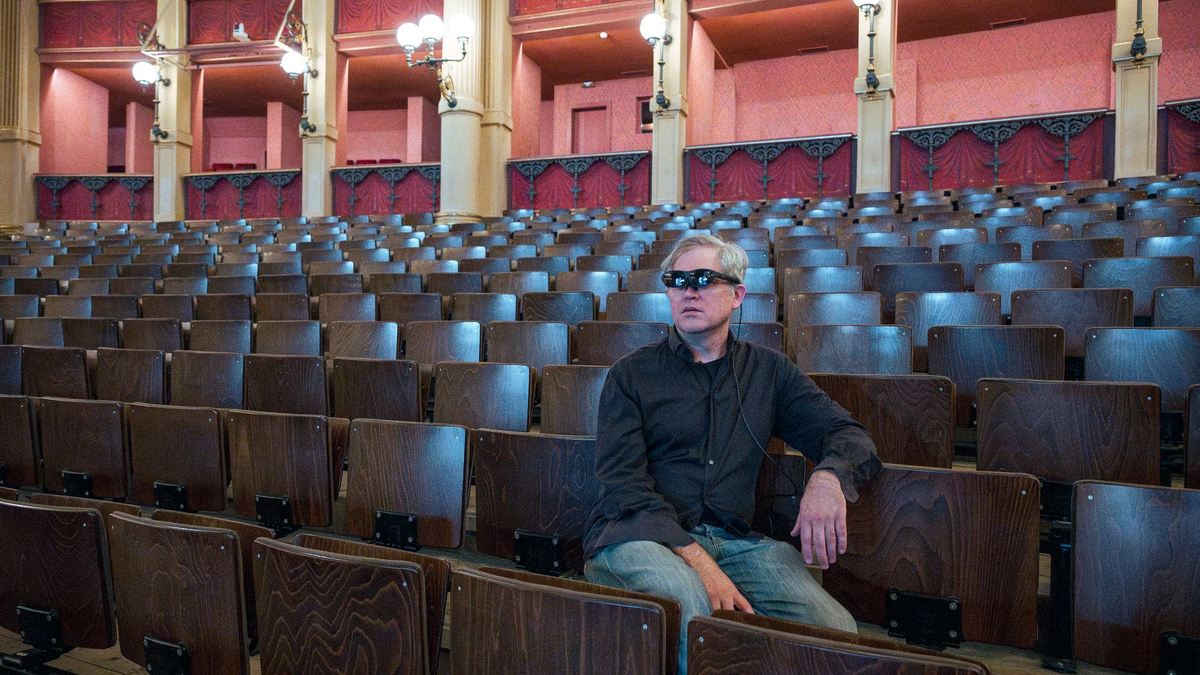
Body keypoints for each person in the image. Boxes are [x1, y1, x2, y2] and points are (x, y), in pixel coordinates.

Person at [582, 234, 882, 674]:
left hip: (737, 542)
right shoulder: (631, 374)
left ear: (737, 295)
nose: (688, 289)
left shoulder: (770, 371)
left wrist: (828, 477)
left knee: (832, 629)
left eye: (703, 278)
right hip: (638, 535)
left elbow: (848, 435)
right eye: (677, 280)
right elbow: (623, 486)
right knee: (691, 605)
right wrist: (696, 557)